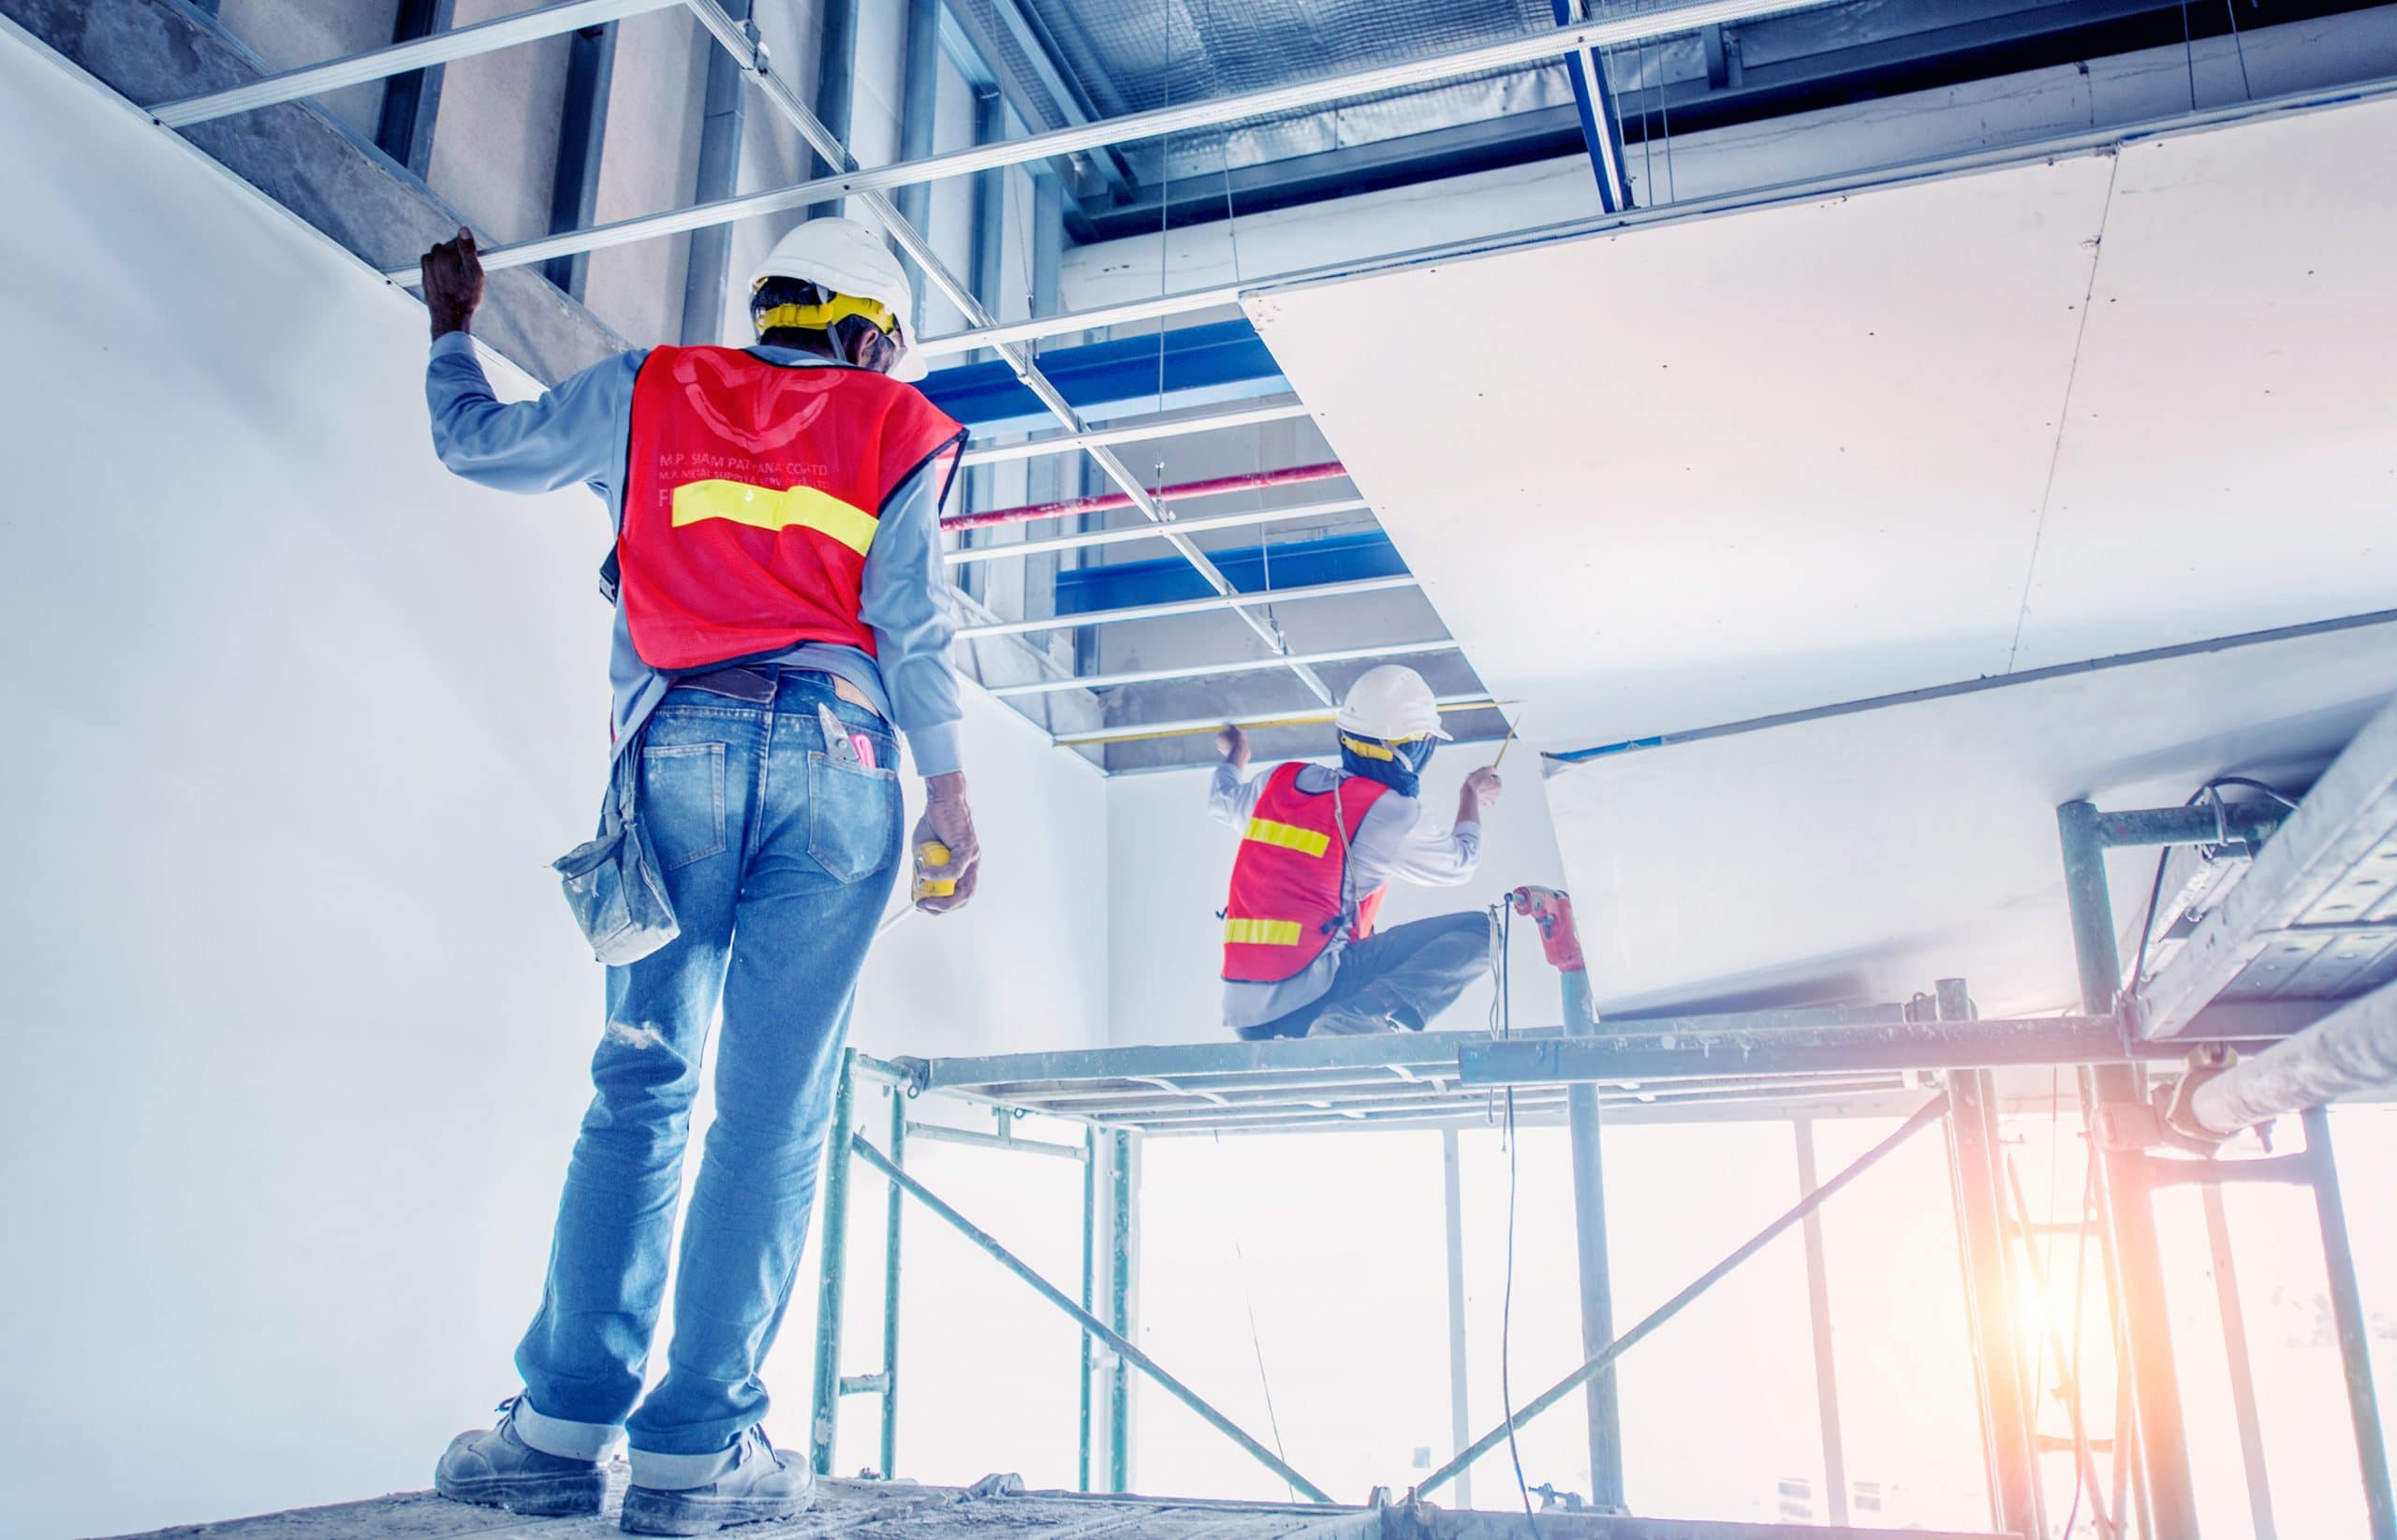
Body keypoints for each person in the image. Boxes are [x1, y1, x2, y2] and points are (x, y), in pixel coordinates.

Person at [413, 216, 978, 1534]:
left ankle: (556, 1430)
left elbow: (473, 445)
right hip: (840, 766)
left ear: (769, 306)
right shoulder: (894, 423)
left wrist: (451, 331)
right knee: (771, 1113)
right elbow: (910, 619)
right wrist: (949, 786)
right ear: (869, 334)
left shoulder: (647, 390)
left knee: (640, 1087)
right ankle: (692, 1455)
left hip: (674, 756)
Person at [1210, 665, 1500, 1039]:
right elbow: (1462, 863)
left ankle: (1349, 1019)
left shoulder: (1277, 781)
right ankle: (1365, 1012)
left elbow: (1222, 801)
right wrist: (1471, 796)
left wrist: (1235, 755)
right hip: (1315, 996)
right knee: (1485, 933)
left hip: (1245, 1019)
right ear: (1419, 747)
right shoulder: (1389, 813)